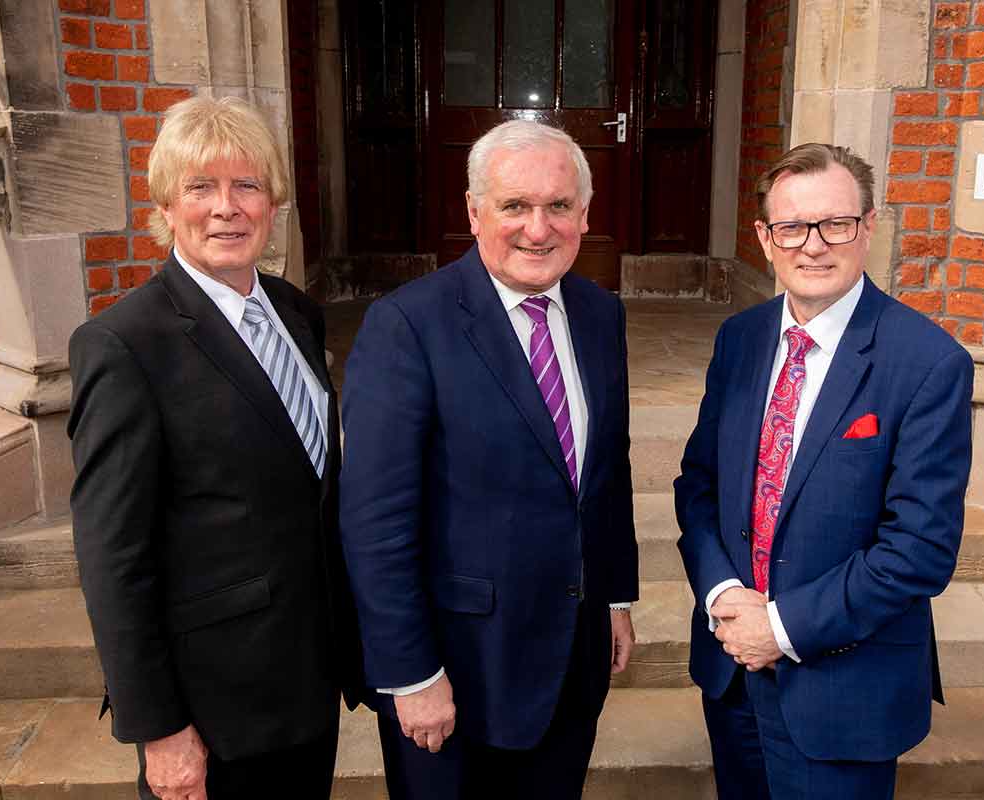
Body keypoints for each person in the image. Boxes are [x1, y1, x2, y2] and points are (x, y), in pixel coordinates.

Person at [68, 95, 361, 800]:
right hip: (212, 709)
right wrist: (161, 731)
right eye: (200, 187)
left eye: (246, 185)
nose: (225, 207)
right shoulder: (123, 345)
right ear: (166, 207)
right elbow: (114, 558)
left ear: (272, 203)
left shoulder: (296, 312)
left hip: (306, 685)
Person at [338, 119, 638, 800]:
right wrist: (410, 674)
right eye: (514, 206)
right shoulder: (409, 325)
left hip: (571, 654)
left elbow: (605, 472)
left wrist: (614, 594)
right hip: (458, 671)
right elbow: (375, 522)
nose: (539, 228)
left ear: (584, 215)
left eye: (558, 206)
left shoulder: (599, 314)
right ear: (475, 213)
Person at [674, 143, 973, 799]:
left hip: (846, 690)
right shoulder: (741, 339)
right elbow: (699, 486)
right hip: (732, 673)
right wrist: (723, 595)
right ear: (764, 236)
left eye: (835, 223)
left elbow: (919, 550)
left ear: (868, 227)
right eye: (792, 227)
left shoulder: (927, 363)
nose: (813, 245)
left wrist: (778, 627)